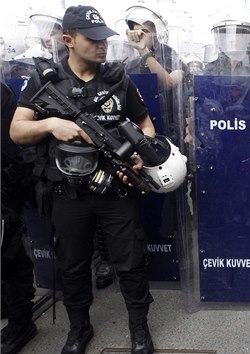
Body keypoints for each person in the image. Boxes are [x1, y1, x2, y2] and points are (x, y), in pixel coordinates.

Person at [9, 5, 156, 354]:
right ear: (68, 40)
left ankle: (139, 328)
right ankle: (79, 329)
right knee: (72, 265)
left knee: (131, 261)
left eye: (104, 39)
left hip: (116, 187)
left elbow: (146, 125)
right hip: (68, 192)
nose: (102, 46)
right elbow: (16, 130)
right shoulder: (45, 80)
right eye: (93, 40)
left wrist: (139, 150)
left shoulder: (118, 79)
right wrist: (50, 124)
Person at [1, 82, 38, 354]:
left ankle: (21, 321)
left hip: (4, 186)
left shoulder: (1, 92)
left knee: (10, 254)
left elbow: (9, 144)